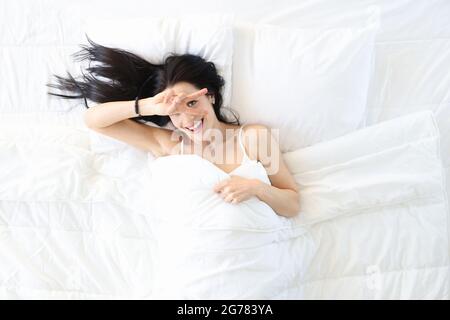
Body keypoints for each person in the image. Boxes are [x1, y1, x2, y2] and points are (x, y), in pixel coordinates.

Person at [47, 36, 300, 217]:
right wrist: (147, 107)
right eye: (176, 112)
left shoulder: (254, 137)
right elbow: (94, 121)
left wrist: (256, 188)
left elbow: (292, 204)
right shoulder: (168, 144)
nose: (188, 118)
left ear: (209, 95)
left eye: (192, 102)